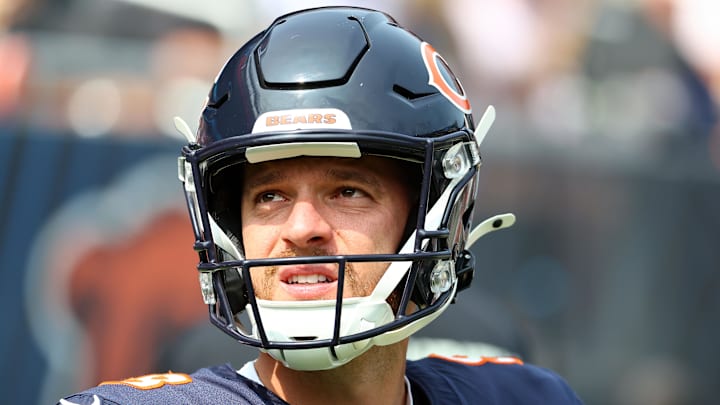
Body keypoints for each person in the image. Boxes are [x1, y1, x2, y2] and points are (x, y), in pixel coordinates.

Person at [59, 6, 583, 404]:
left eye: (348, 192)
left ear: (438, 214)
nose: (301, 227)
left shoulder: (522, 394)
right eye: (270, 196)